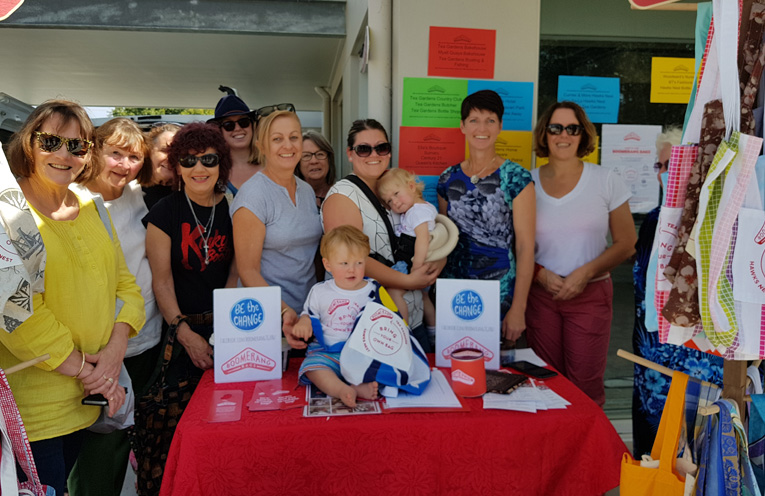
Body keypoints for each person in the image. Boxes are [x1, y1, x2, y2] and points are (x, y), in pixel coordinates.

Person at [0, 100, 145, 495]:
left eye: (77, 146)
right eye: (51, 141)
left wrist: (114, 353)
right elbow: (17, 314)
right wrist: (92, 372)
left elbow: (126, 288)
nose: (64, 155)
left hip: (87, 404)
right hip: (35, 414)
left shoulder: (90, 206)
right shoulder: (7, 213)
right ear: (28, 143)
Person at [67, 118, 163, 496]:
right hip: (91, 350)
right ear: (94, 151)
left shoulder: (141, 196)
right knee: (94, 445)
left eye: (134, 156)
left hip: (143, 340)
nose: (124, 164)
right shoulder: (69, 199)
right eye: (116, 154)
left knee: (125, 436)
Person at [142, 122, 237, 489]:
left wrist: (227, 329)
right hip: (180, 335)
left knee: (227, 426)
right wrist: (185, 333)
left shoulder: (234, 208)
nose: (199, 168)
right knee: (178, 433)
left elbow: (235, 272)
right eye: (189, 160)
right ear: (177, 167)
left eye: (208, 159)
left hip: (228, 329)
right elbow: (161, 280)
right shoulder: (165, 212)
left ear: (221, 164)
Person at [526, 101, 637, 407]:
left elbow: (627, 242)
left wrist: (584, 274)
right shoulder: (526, 183)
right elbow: (514, 243)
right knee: (545, 384)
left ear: (583, 134)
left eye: (572, 128)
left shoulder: (606, 180)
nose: (564, 135)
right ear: (545, 134)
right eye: (555, 128)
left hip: (590, 295)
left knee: (585, 387)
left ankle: (587, 453)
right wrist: (540, 274)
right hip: (541, 296)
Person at [631, 127, 723, 456]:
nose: (665, 173)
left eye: (673, 164)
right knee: (652, 457)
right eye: (661, 166)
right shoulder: (653, 221)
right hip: (652, 365)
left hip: (697, 366)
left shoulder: (713, 223)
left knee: (696, 459)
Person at [322, 119, 442, 353]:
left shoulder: (394, 188)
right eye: (364, 149)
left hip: (413, 318)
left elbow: (428, 230)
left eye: (381, 147)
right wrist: (408, 281)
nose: (373, 154)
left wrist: (437, 260)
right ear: (350, 153)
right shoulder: (343, 196)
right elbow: (352, 260)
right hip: (372, 326)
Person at [437, 90, 536, 345]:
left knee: (498, 373)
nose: (482, 128)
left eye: (490, 120)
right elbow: (442, 240)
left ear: (500, 126)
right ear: (462, 126)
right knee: (455, 368)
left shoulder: (517, 178)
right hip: (454, 294)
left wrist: (518, 308)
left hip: (500, 293)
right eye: (474, 120)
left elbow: (525, 247)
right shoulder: (448, 179)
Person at [231, 110, 322, 351]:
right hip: (268, 320)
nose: (288, 145)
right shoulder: (253, 196)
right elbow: (247, 271)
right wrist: (283, 311)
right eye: (277, 139)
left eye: (294, 137)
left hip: (308, 316)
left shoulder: (306, 190)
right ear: (261, 145)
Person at [292, 225, 379, 407]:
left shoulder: (373, 290)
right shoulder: (320, 291)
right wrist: (304, 322)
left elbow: (385, 319)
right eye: (344, 263)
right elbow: (308, 314)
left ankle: (359, 386)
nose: (352, 269)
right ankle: (341, 389)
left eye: (359, 263)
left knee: (378, 367)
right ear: (328, 265)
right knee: (313, 368)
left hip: (360, 353)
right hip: (326, 352)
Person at [376, 168, 436, 326]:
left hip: (411, 261)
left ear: (411, 186)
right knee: (424, 297)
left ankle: (402, 328)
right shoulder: (422, 208)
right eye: (389, 200)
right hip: (416, 261)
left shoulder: (417, 212)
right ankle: (433, 331)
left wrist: (416, 267)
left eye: (396, 193)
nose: (394, 202)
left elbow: (423, 239)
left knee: (393, 292)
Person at [208, 95, 260, 197]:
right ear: (220, 131)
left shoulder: (272, 167)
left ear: (252, 126)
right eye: (229, 125)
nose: (237, 128)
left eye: (243, 122)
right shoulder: (212, 171)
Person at [142, 123, 181, 210]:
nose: (171, 157)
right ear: (149, 152)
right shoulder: (129, 190)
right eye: (165, 150)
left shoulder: (190, 194)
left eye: (177, 153)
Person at [295, 131, 336, 208]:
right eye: (306, 155)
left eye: (320, 154)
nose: (314, 161)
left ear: (329, 160)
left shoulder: (343, 195)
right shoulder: (289, 200)